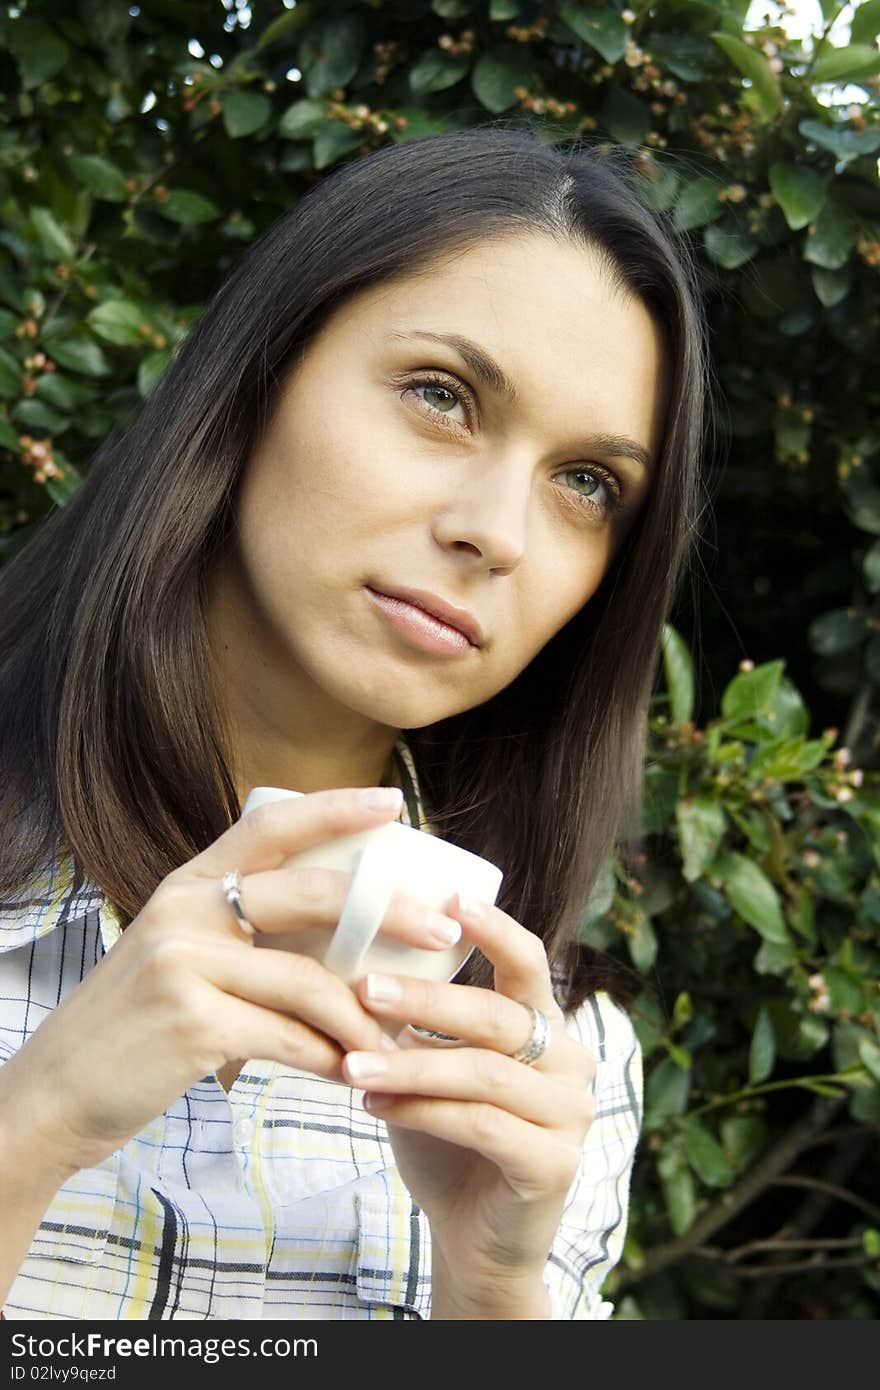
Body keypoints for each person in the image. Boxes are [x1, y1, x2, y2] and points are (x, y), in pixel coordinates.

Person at [0, 122, 708, 1320]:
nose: (500, 530)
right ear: (260, 376)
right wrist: (37, 1123)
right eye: (441, 395)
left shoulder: (550, 1057)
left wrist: (492, 1288)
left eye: (586, 483)